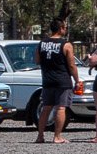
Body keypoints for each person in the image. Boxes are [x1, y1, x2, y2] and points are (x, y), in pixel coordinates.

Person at [33, 16, 82, 144]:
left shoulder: (42, 43)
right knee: (61, 108)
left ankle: (40, 136)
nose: (65, 29)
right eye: (64, 27)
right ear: (60, 29)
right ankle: (57, 136)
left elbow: (37, 60)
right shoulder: (66, 45)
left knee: (46, 107)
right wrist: (77, 80)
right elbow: (72, 65)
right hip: (62, 80)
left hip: (47, 80)